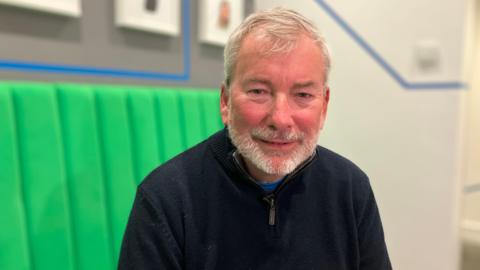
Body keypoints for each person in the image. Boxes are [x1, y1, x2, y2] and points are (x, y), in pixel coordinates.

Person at [119, 7, 392, 270]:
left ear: (324, 106)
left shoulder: (351, 189)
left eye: (303, 95)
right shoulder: (166, 198)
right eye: (259, 91)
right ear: (225, 102)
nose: (280, 119)